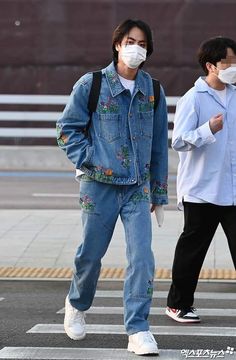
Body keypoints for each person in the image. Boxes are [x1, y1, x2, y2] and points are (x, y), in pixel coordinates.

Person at [56, 19, 168, 355]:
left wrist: (159, 193)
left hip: (136, 189)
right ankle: (77, 303)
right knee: (91, 255)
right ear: (118, 44)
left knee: (143, 259)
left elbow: (160, 145)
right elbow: (66, 130)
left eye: (143, 44)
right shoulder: (91, 84)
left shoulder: (154, 90)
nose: (137, 48)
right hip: (98, 186)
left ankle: (138, 329)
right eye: (131, 41)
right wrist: (91, 158)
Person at [166, 36, 236, 323]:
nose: (233, 67)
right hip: (201, 191)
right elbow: (179, 141)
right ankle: (178, 305)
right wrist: (208, 129)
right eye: (227, 63)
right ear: (211, 65)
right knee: (192, 253)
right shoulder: (193, 99)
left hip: (232, 190)